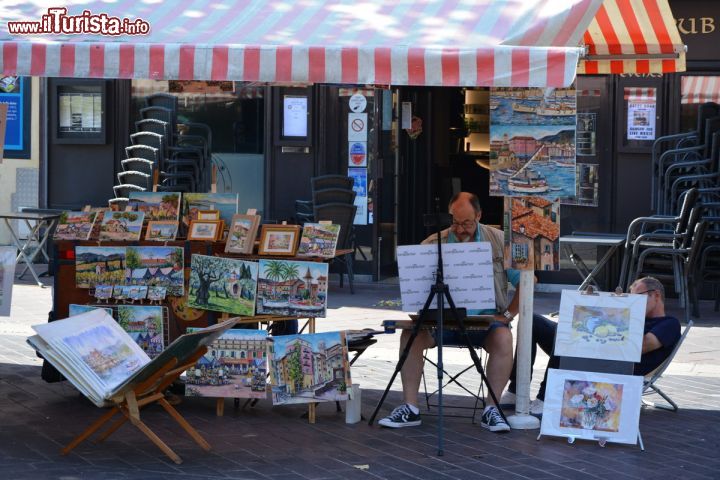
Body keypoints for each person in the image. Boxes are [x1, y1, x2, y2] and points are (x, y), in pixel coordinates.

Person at [378, 192, 522, 433]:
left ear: (479, 215)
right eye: (455, 222)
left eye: (467, 223)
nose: (461, 229)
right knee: (410, 336)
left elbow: (528, 282)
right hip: (441, 322)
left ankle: (492, 409)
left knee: (504, 338)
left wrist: (507, 315)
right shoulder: (434, 243)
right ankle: (410, 407)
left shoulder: (499, 240)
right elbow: (416, 287)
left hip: (484, 322)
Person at [502, 276, 682, 414]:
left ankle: (545, 398)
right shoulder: (634, 318)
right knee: (534, 321)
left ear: (656, 295)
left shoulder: (669, 324)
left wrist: (609, 325)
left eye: (637, 298)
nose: (632, 303)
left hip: (616, 365)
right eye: (629, 298)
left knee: (566, 337)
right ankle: (516, 390)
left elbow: (640, 347)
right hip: (595, 349)